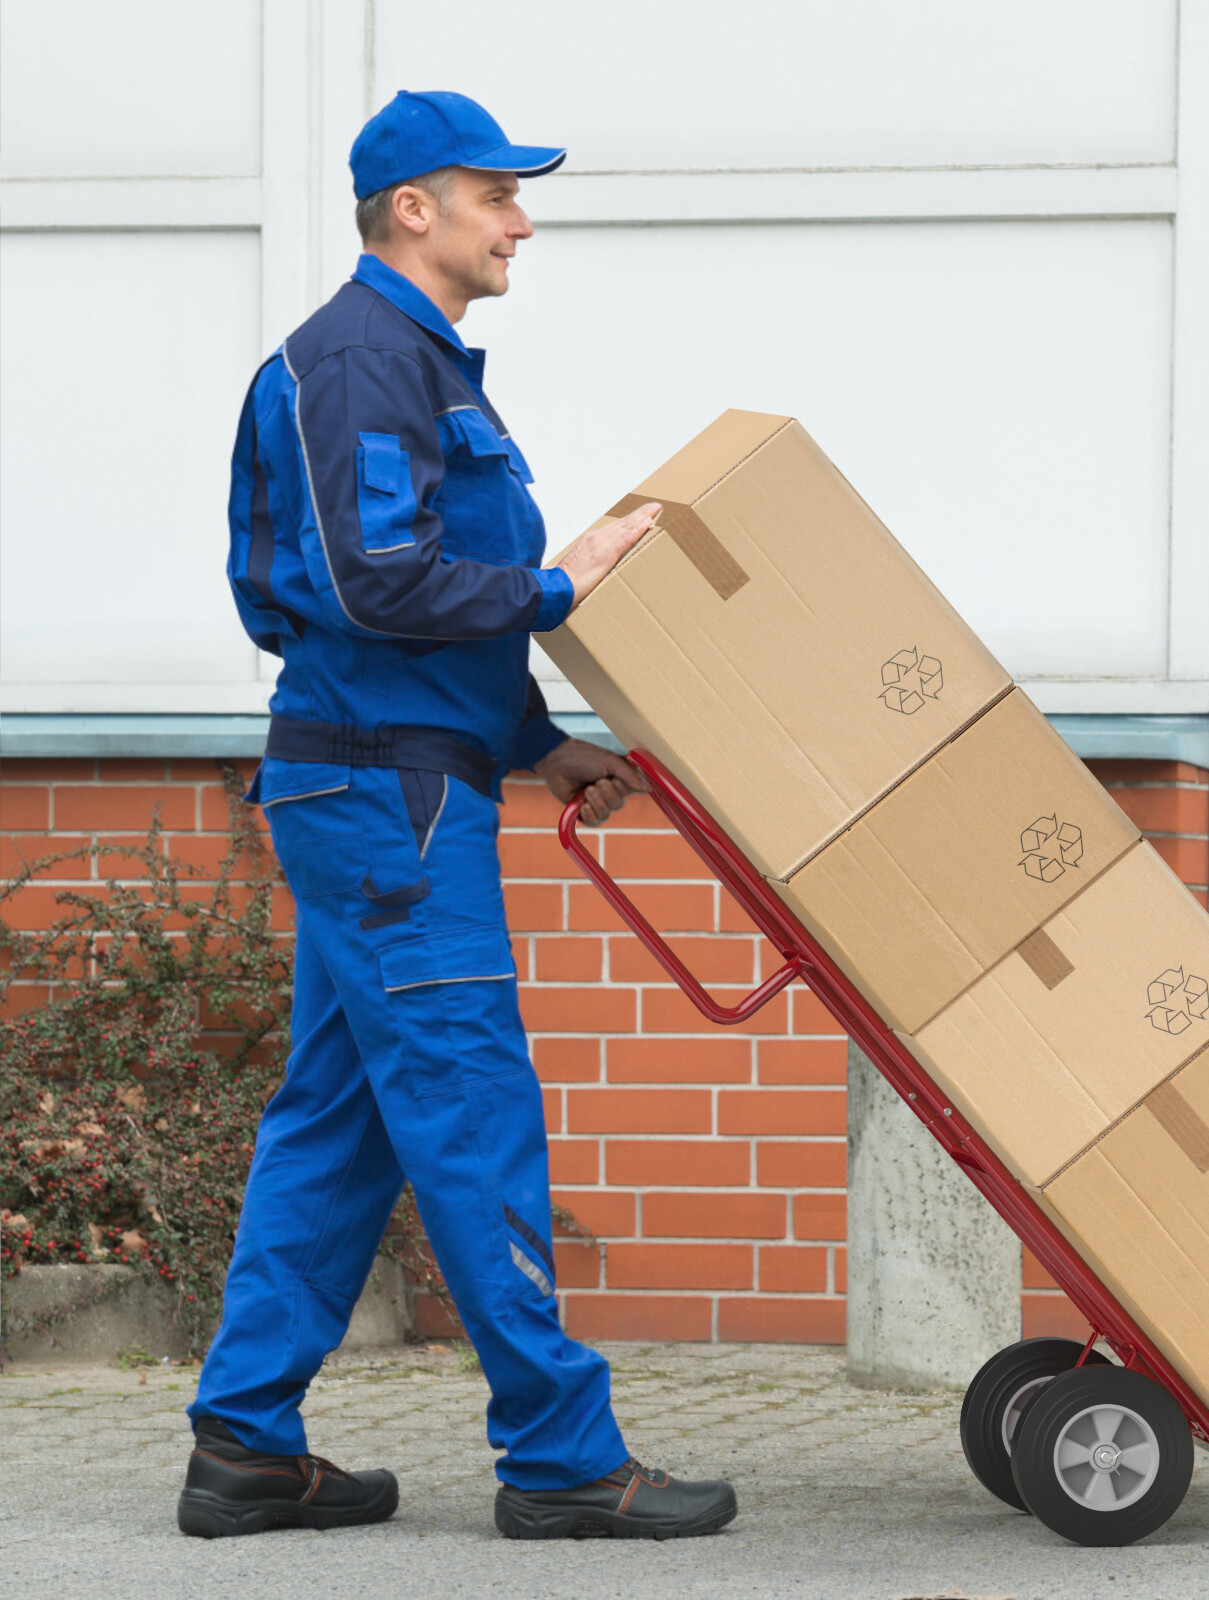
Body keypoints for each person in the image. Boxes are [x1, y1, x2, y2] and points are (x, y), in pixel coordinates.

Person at [179, 89, 737, 1543]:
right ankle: (560, 1458)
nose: (522, 220)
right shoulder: (365, 364)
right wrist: (565, 585)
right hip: (388, 806)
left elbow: (358, 609)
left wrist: (534, 743)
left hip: (389, 780)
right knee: (472, 1110)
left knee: (341, 1121)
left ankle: (244, 1444)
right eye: (498, 194)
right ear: (412, 208)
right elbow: (374, 586)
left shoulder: (419, 370)